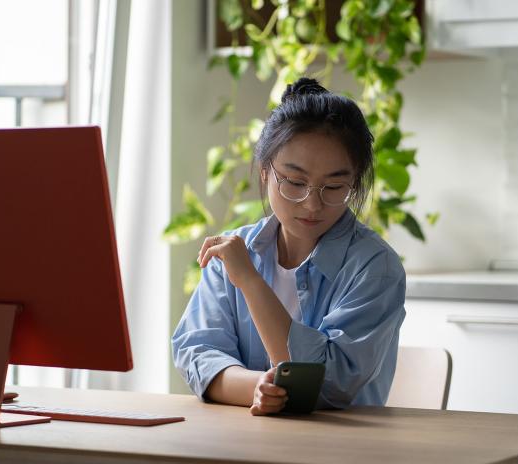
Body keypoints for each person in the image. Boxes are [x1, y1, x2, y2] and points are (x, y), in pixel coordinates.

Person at [171, 77, 406, 416]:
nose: (312, 204)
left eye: (335, 186)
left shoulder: (375, 268)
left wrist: (251, 282)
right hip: (244, 443)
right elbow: (198, 352)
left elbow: (328, 383)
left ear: (354, 182)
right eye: (295, 183)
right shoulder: (236, 250)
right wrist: (259, 388)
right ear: (265, 171)